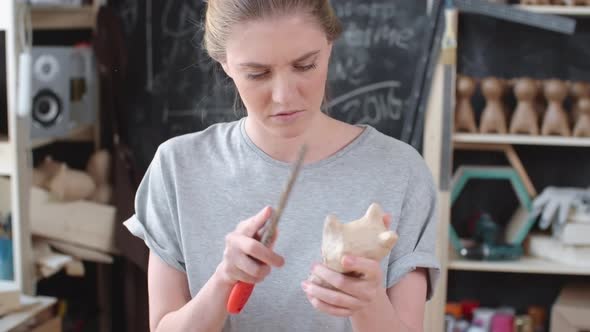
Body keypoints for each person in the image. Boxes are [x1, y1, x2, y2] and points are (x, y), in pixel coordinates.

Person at [124, 0, 440, 331]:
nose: (284, 96)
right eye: (257, 73)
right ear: (224, 63)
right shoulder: (177, 168)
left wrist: (366, 302)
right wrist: (224, 279)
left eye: (305, 65)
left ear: (329, 46)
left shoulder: (400, 171)